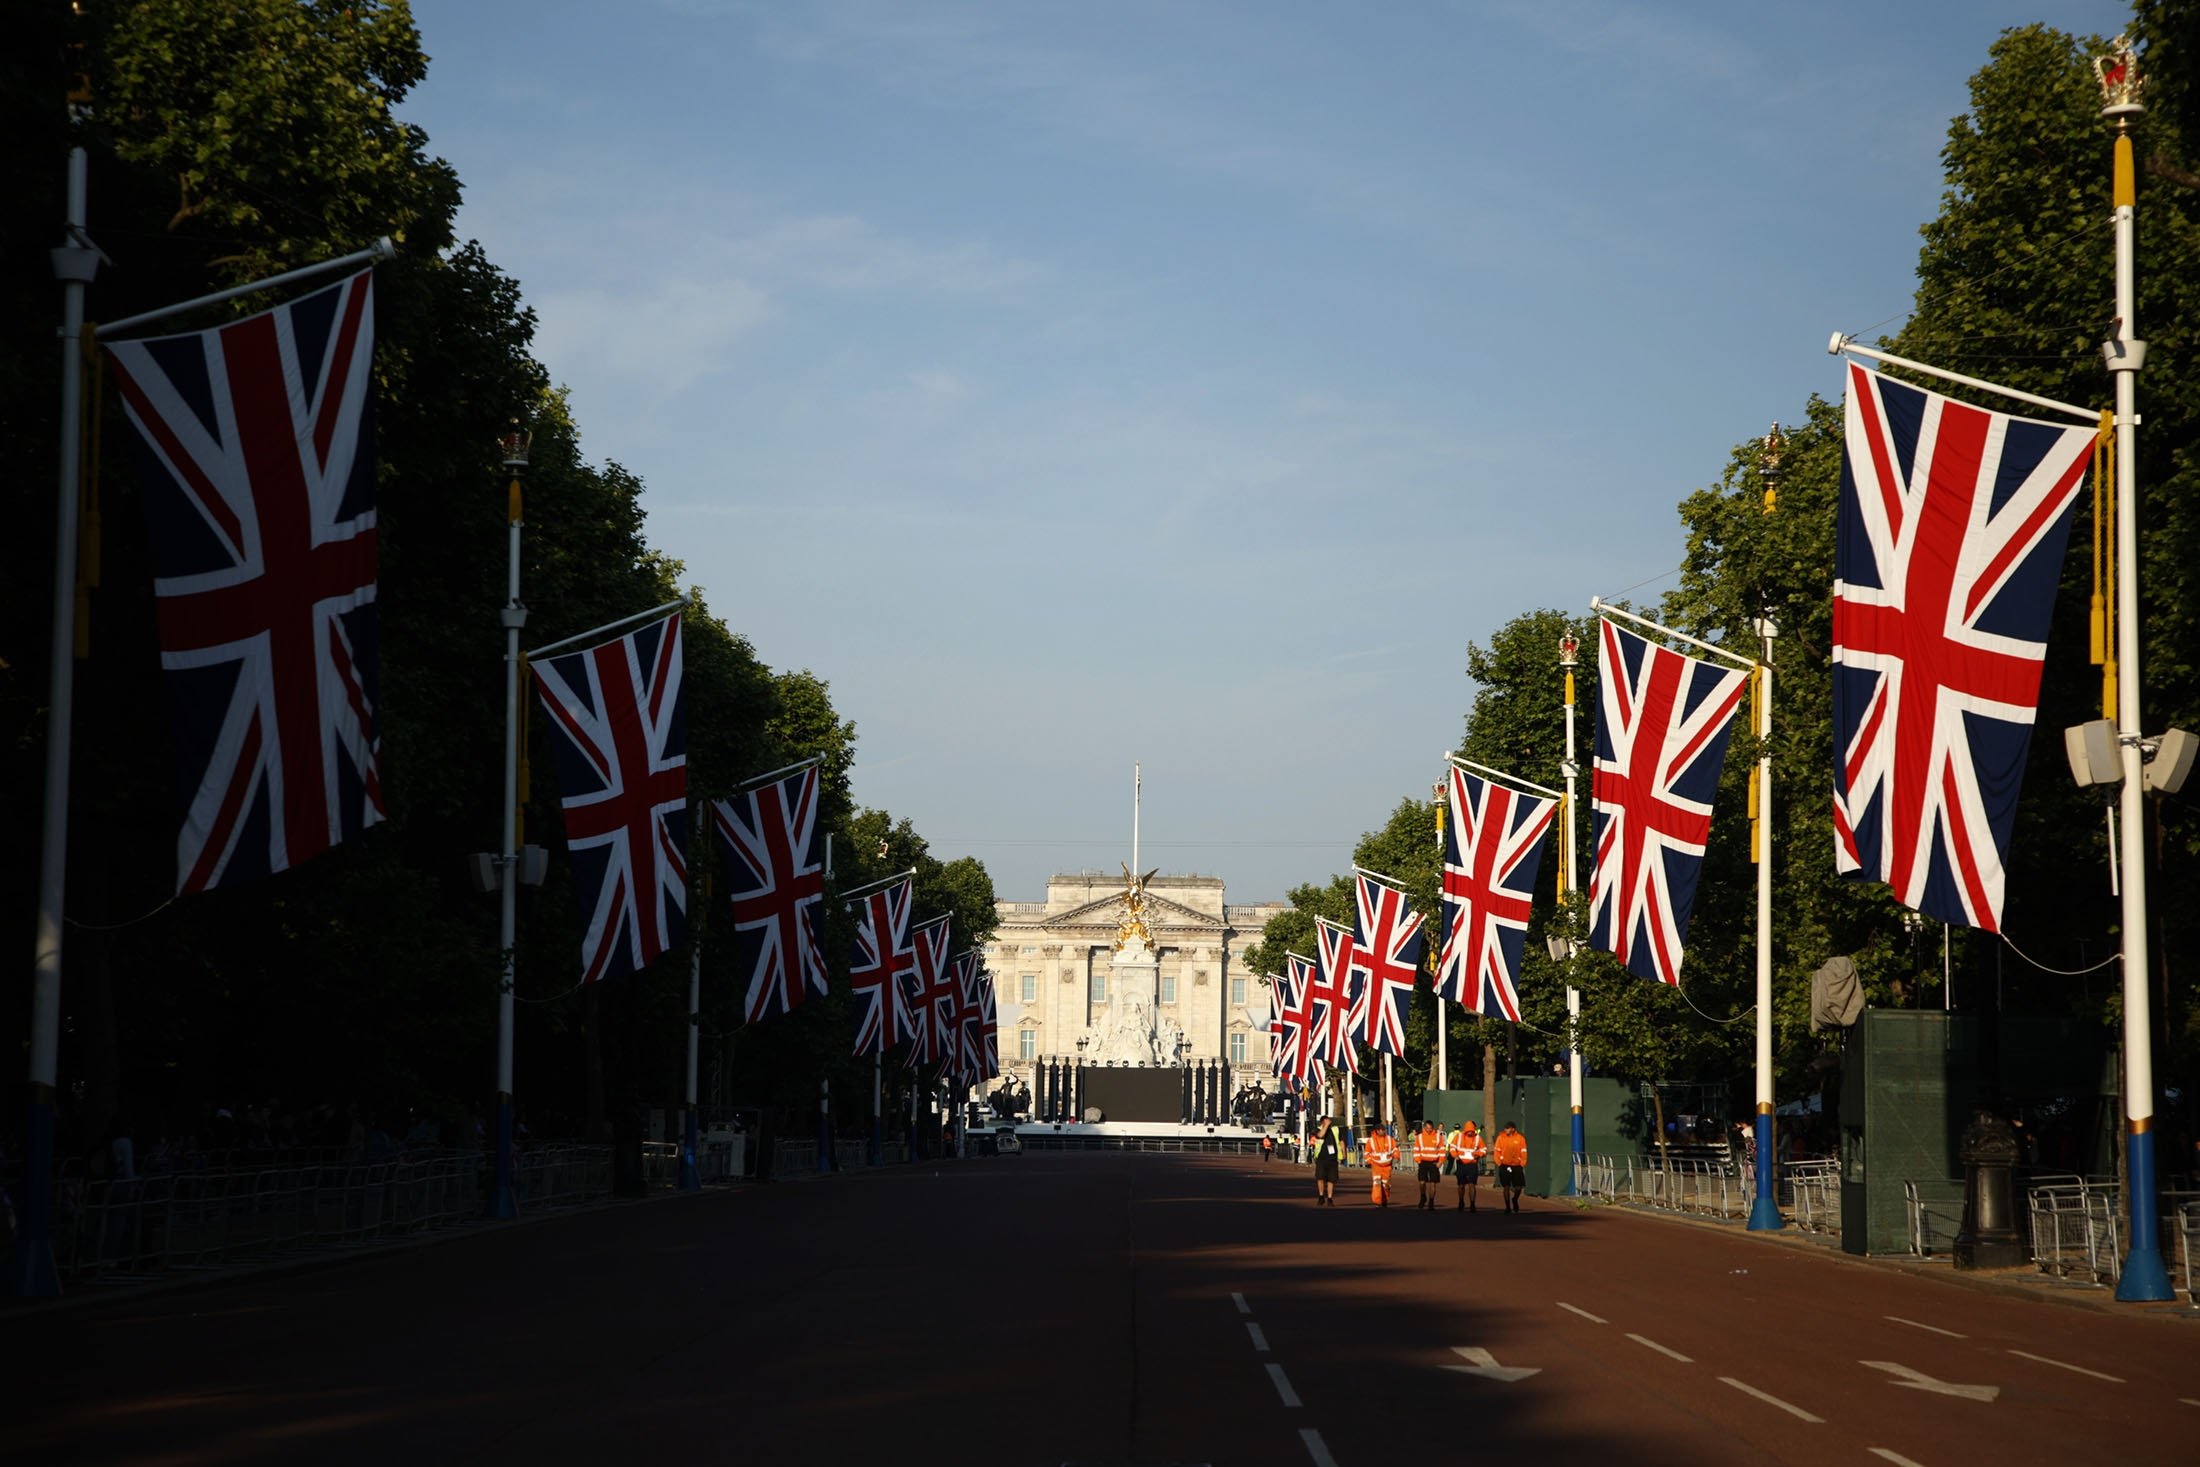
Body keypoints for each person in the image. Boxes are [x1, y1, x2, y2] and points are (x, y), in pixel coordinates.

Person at [1492, 1120, 1529, 1213]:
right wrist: (1499, 1163)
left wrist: (1522, 1164)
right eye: (1505, 1128)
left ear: (1513, 1129)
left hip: (1517, 1166)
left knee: (1518, 1187)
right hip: (1504, 1165)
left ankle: (1515, 1199)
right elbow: (1496, 1151)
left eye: (1508, 1128)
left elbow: (1524, 1152)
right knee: (1506, 1186)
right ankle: (1507, 1207)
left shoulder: (1520, 1139)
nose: (1506, 1129)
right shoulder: (1501, 1138)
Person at [1449, 1121, 1487, 1212]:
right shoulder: (1458, 1137)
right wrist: (1455, 1156)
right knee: (1461, 1185)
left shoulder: (1478, 1138)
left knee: (1472, 1184)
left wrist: (1478, 1154)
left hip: (1472, 1164)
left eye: (1472, 1131)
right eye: (1468, 1131)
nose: (1470, 1133)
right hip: (1461, 1163)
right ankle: (1461, 1201)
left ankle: (1472, 1204)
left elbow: (1484, 1149)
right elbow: (1452, 1147)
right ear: (1465, 1130)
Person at [1412, 1119, 1445, 1210]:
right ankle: (1423, 1196)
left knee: (1433, 1183)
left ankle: (1431, 1201)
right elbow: (1416, 1150)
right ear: (1424, 1128)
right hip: (1423, 1162)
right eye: (1427, 1128)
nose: (1429, 1130)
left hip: (1434, 1163)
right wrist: (1418, 1160)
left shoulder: (1438, 1137)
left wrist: (1440, 1162)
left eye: (1430, 1128)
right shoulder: (1419, 1137)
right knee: (1422, 1182)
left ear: (1433, 1128)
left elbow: (1442, 1150)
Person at [1311, 1117, 1342, 1206]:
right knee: (1320, 1178)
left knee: (1331, 1179)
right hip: (1321, 1158)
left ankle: (1330, 1198)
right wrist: (1325, 1126)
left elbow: (1340, 1141)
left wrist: (1343, 1152)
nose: (1329, 1123)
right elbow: (1320, 1135)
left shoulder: (1335, 1130)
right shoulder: (1317, 1129)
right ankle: (1321, 1196)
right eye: (1326, 1121)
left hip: (1332, 1158)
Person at [1365, 1125, 1398, 1207]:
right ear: (1376, 1131)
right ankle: (1377, 1201)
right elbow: (1367, 1153)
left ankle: (1385, 1200)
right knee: (1377, 1183)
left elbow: (1395, 1149)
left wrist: (1396, 1156)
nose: (1382, 1132)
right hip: (1376, 1166)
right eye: (1380, 1130)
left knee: (1385, 1185)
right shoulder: (1371, 1141)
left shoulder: (1390, 1140)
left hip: (1387, 1166)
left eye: (1383, 1130)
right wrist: (1369, 1162)